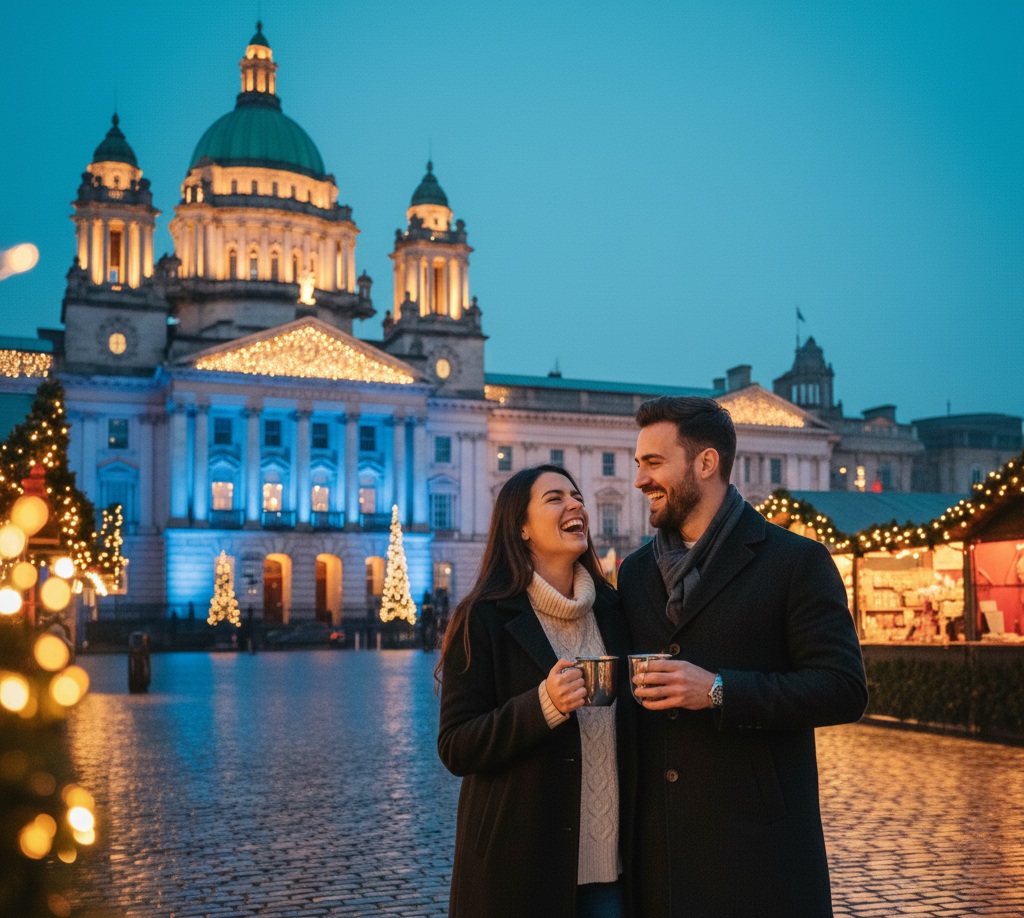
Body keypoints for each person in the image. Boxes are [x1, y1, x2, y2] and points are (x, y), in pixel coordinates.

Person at [619, 396, 867, 918]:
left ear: (706, 463)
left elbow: (843, 689)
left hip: (758, 855)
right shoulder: (635, 572)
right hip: (661, 859)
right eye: (638, 463)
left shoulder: (796, 561)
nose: (639, 479)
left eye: (653, 463)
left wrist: (717, 691)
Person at [437, 465, 634, 918]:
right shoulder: (483, 617)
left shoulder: (614, 610)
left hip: (613, 875)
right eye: (555, 498)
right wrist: (543, 706)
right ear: (521, 527)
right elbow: (456, 746)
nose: (575, 504)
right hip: (521, 871)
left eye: (576, 495)